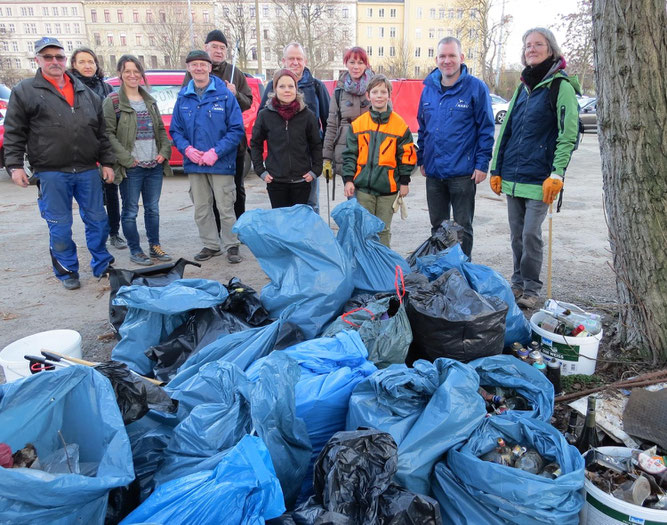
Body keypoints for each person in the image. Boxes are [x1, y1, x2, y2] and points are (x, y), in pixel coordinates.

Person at [4, 37, 115, 290]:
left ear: (65, 60)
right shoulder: (25, 90)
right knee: (60, 226)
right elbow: (14, 131)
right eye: (48, 57)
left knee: (98, 221)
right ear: (38, 60)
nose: (54, 61)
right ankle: (67, 271)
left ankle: (103, 265)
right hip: (51, 172)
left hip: (87, 169)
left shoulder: (85, 92)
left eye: (59, 57)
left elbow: (102, 132)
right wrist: (15, 166)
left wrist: (107, 162)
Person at [490, 27, 581, 309]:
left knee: (531, 234)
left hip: (541, 179)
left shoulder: (560, 87)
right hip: (513, 177)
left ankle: (532, 286)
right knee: (517, 235)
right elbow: (506, 130)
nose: (532, 49)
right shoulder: (521, 88)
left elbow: (569, 134)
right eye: (528, 45)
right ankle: (517, 283)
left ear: (551, 49)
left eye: (538, 44)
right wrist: (496, 168)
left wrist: (557, 174)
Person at [417, 37, 495, 259]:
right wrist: (422, 158)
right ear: (436, 59)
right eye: (442, 56)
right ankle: (440, 273)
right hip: (434, 173)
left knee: (462, 229)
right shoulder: (428, 89)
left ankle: (462, 274)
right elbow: (423, 128)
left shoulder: (476, 88)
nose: (447, 60)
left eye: (452, 56)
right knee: (438, 229)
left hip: (463, 172)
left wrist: (482, 164)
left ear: (461, 58)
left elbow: (486, 129)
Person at [170, 50, 245, 263]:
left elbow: (236, 129)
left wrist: (216, 152)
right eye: (194, 65)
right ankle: (211, 245)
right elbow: (176, 130)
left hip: (220, 163)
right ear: (188, 68)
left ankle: (232, 245)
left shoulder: (225, 94)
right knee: (201, 208)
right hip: (195, 164)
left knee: (226, 206)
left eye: (203, 64)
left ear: (210, 68)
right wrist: (187, 150)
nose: (199, 68)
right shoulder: (183, 97)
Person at [103, 55, 172, 267]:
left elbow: (160, 128)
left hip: (153, 165)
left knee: (153, 208)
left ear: (141, 74)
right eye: (127, 71)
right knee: (130, 211)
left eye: (136, 71)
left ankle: (155, 246)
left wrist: (164, 150)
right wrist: (126, 159)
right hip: (131, 168)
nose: (132, 75)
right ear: (120, 75)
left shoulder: (149, 100)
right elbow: (108, 134)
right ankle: (135, 249)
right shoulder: (113, 101)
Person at [182, 30, 253, 219]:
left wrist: (235, 93)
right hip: (204, 147)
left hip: (232, 146)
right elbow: (185, 102)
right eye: (215, 46)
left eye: (222, 48)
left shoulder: (234, 73)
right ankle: (217, 231)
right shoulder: (196, 72)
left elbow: (248, 102)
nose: (219, 51)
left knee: (236, 189)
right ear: (206, 48)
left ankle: (239, 227)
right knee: (209, 193)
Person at [342, 74, 416, 248]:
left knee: (382, 230)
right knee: (364, 230)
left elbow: (407, 156)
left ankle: (383, 269)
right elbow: (350, 155)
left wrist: (404, 182)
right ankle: (365, 268)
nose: (379, 95)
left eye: (383, 91)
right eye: (375, 92)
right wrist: (348, 180)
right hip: (363, 190)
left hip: (388, 190)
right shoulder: (358, 125)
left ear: (389, 95)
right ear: (368, 96)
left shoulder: (400, 126)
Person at [260, 42, 330, 214]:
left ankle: (311, 240)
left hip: (309, 161)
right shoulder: (271, 86)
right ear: (284, 60)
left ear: (305, 61)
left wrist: (324, 159)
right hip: (281, 163)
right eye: (291, 58)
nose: (295, 62)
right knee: (283, 211)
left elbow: (328, 123)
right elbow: (261, 123)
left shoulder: (317, 86)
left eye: (299, 58)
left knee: (310, 205)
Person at [69, 46, 126, 251]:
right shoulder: (70, 88)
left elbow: (116, 119)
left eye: (91, 62)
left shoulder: (106, 88)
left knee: (111, 193)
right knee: (91, 198)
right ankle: (97, 236)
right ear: (74, 65)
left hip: (105, 149)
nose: (87, 66)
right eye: (82, 62)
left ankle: (114, 232)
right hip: (82, 152)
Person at [250, 69, 322, 208]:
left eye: (291, 86)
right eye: (282, 86)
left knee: (298, 224)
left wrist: (315, 170)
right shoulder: (265, 115)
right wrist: (260, 170)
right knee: (280, 224)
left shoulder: (307, 115)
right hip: (276, 181)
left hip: (302, 181)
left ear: (296, 89)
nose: (287, 90)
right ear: (275, 89)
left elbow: (316, 144)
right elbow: (256, 143)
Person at [322, 46, 373, 186]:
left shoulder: (376, 88)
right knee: (353, 201)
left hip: (371, 151)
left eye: (360, 62)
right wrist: (326, 158)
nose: (356, 67)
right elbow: (332, 125)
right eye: (352, 62)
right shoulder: (339, 92)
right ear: (346, 63)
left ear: (366, 64)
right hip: (346, 153)